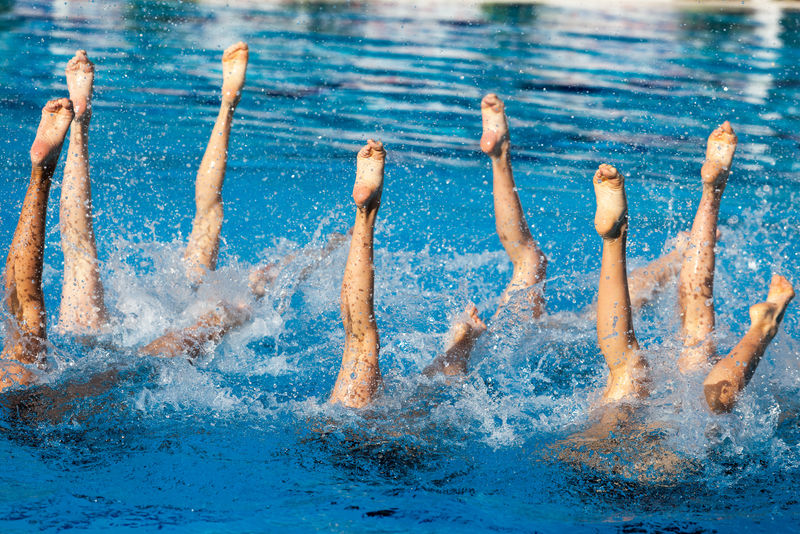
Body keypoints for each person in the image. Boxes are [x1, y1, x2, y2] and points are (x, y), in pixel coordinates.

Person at [589, 121, 794, 412]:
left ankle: (615, 238)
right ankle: (762, 325)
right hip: (652, 448)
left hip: (616, 448)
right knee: (686, 370)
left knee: (632, 376)